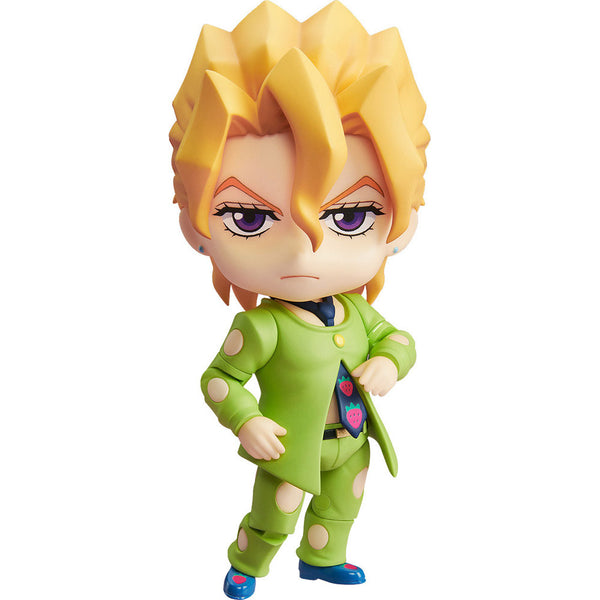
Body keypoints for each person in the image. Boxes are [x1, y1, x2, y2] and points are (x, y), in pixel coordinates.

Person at [170, 2, 429, 598]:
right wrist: (246, 420)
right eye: (249, 218)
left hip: (353, 443)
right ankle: (247, 563)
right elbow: (219, 379)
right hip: (290, 451)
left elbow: (399, 338)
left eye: (351, 215)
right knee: (273, 517)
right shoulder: (262, 328)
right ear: (196, 227)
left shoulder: (357, 313)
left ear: (403, 221)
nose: (304, 252)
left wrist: (390, 362)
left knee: (342, 508)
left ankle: (323, 558)